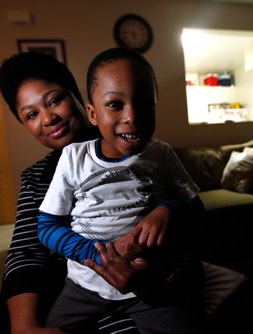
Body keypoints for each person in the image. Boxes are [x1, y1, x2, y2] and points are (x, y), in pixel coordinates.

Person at [0, 51, 170, 333]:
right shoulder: (37, 177)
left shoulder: (133, 148)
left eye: (54, 100)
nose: (48, 118)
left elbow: (177, 219)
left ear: (78, 98)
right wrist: (25, 326)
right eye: (31, 114)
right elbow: (26, 251)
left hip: (137, 278)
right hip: (68, 284)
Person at [37, 47, 204, 333]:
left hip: (149, 284)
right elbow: (48, 227)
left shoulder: (160, 154)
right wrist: (100, 257)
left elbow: (195, 207)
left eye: (144, 104)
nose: (132, 116)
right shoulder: (74, 158)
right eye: (115, 104)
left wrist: (168, 210)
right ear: (92, 113)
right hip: (84, 287)